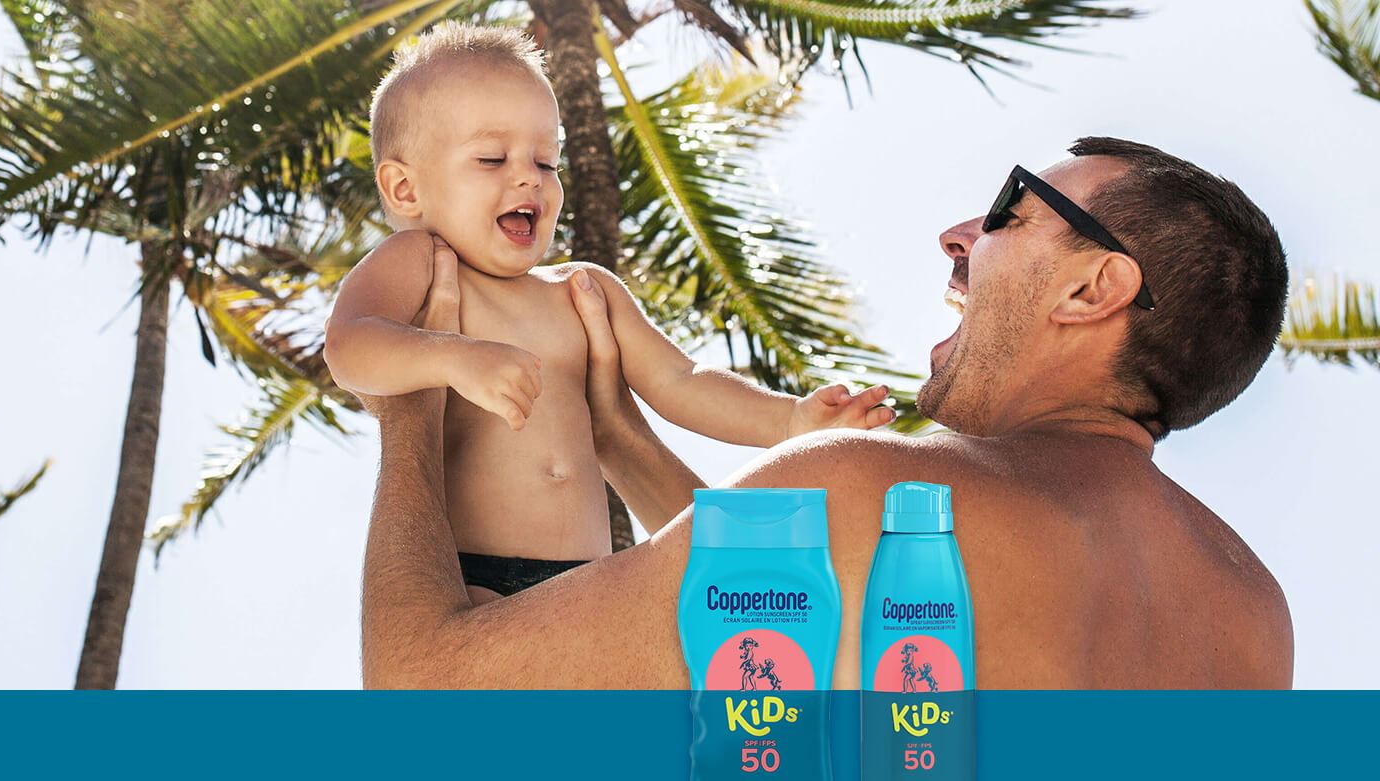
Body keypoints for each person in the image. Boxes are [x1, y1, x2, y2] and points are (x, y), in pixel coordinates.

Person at [357, 138, 1294, 689]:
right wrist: (622, 438)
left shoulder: (872, 494)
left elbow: (425, 682)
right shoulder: (1253, 617)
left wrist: (409, 406)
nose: (960, 235)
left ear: (1096, 287)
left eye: (1013, 209)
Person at [325, 22, 893, 606]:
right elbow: (349, 345)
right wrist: (452, 357)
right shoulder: (420, 261)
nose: (528, 176)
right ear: (405, 189)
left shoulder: (583, 290)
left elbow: (681, 382)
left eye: (546, 162)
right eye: (492, 158)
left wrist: (791, 422)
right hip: (475, 577)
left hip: (594, 579)